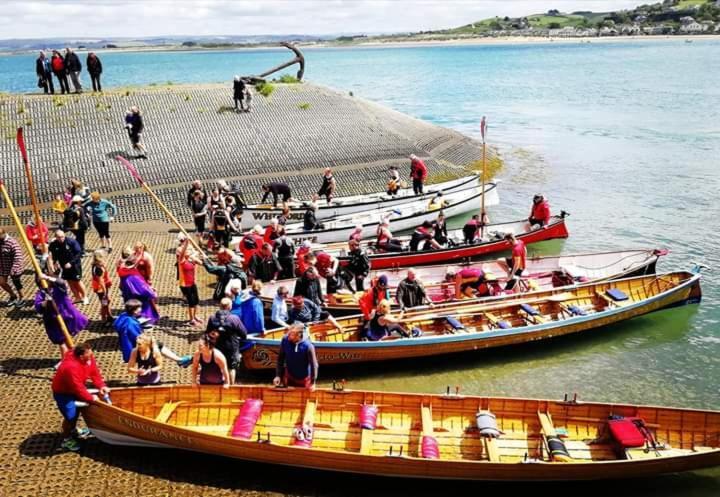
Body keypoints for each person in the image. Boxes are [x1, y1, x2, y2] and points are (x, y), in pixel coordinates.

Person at [51, 342, 109, 451]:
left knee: (79, 409)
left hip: (76, 387)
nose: (91, 357)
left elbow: (94, 372)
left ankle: (73, 430)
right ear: (81, 356)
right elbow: (78, 388)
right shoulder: (71, 367)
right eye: (89, 355)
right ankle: (66, 439)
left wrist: (101, 385)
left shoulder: (88, 358)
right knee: (70, 416)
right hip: (63, 393)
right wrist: (91, 398)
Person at [114, 299, 191, 366]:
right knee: (158, 346)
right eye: (139, 308)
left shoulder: (123, 316)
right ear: (134, 310)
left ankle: (179, 360)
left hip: (128, 344)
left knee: (158, 345)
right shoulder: (131, 324)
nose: (140, 309)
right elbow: (138, 336)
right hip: (135, 346)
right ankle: (179, 360)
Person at [35, 273, 88, 360]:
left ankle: (67, 360)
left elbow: (62, 282)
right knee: (62, 341)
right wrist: (45, 302)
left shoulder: (58, 289)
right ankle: (70, 358)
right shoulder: (41, 293)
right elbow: (38, 306)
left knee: (65, 341)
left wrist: (47, 277)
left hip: (67, 316)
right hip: (53, 321)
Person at [206, 298, 248, 384]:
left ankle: (218, 386)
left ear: (220, 306)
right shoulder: (234, 319)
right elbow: (244, 334)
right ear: (229, 307)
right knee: (231, 368)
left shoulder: (212, 318)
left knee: (218, 366)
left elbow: (207, 333)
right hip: (231, 348)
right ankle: (231, 386)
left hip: (217, 348)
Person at [116, 247, 159, 324]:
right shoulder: (133, 275)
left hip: (128, 294)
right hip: (138, 299)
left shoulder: (121, 270)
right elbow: (142, 289)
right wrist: (152, 292)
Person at [273, 323, 318, 390]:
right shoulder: (285, 340)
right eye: (289, 333)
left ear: (299, 335)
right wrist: (278, 376)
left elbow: (314, 365)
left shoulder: (308, 346)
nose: (288, 336)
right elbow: (280, 359)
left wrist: (313, 382)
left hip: (304, 379)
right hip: (289, 376)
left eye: (292, 335)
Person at [48, 230, 87, 304]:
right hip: (64, 266)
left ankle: (85, 297)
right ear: (56, 237)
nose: (61, 239)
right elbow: (53, 254)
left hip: (75, 265)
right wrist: (54, 263)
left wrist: (71, 263)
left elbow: (79, 253)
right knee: (70, 281)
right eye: (59, 237)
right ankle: (77, 297)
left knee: (77, 281)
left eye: (62, 237)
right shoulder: (54, 244)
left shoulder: (71, 242)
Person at [177, 236, 204, 326]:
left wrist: (201, 257)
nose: (188, 251)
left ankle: (195, 316)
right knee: (191, 302)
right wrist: (186, 243)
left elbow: (201, 263)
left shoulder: (192, 260)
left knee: (196, 300)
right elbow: (182, 253)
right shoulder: (181, 260)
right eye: (187, 251)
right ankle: (191, 319)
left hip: (192, 283)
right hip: (185, 285)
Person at [0, 229, 26, 306]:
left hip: (14, 267)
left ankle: (22, 298)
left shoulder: (12, 243)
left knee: (17, 283)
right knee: (1, 282)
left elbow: (18, 257)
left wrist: (14, 268)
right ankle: (13, 296)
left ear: (3, 234)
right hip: (3, 266)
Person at [90, 249, 113, 324]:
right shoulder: (98, 269)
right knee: (104, 303)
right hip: (101, 289)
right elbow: (101, 281)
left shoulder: (97, 265)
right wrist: (105, 292)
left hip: (102, 287)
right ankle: (104, 320)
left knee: (107, 302)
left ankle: (109, 316)